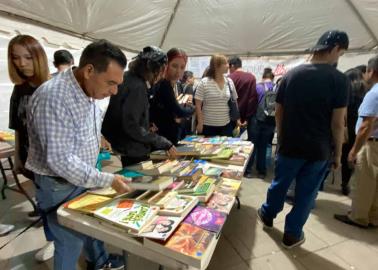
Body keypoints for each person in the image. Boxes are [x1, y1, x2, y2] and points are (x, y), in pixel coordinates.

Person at [26, 39, 131, 270]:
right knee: (69, 242)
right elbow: (60, 160)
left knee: (92, 226)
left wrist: (98, 138)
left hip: (84, 175)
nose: (114, 91)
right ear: (89, 70)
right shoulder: (53, 97)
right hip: (59, 185)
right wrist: (108, 179)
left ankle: (100, 263)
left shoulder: (86, 88)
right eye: (111, 83)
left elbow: (78, 127)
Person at [257, 30, 349, 249]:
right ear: (335, 49)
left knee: (279, 184)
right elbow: (338, 123)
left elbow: (278, 111)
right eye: (341, 53)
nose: (339, 57)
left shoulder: (291, 75)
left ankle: (268, 214)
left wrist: (281, 136)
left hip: (290, 144)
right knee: (307, 194)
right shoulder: (339, 80)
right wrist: (337, 153)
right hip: (319, 149)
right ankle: (292, 234)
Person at [7, 34, 55, 262]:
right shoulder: (19, 90)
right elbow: (17, 127)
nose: (21, 63)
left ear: (38, 57)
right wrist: (17, 157)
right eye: (15, 58)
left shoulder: (53, 87)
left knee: (57, 204)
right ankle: (51, 240)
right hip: (30, 158)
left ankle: (60, 240)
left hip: (54, 160)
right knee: (44, 203)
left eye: (27, 57)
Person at [102, 46, 177, 167]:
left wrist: (145, 123)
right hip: (133, 148)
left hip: (122, 143)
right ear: (154, 69)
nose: (162, 76)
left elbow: (126, 114)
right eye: (162, 70)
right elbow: (132, 126)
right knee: (139, 181)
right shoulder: (137, 86)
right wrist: (163, 142)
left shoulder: (127, 77)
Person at [334, 55, 378, 228]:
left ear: (371, 71)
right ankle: (373, 216)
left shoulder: (373, 93)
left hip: (370, 143)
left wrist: (353, 150)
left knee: (364, 183)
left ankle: (358, 217)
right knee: (375, 184)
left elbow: (365, 126)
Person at [150, 48, 195, 145]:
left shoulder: (175, 84)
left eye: (182, 67)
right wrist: (191, 108)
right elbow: (178, 111)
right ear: (166, 65)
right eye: (174, 66)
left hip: (168, 138)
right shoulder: (163, 84)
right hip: (163, 139)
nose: (178, 71)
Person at [195, 54, 240, 137]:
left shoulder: (229, 82)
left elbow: (235, 101)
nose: (228, 66)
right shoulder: (204, 82)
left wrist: (237, 119)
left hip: (226, 126)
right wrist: (200, 123)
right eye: (226, 63)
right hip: (208, 126)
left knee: (226, 149)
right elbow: (198, 105)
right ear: (216, 66)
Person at [228, 56, 258, 176]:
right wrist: (246, 119)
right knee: (249, 144)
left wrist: (236, 118)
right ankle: (248, 170)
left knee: (230, 143)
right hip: (247, 117)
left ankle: (231, 168)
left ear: (232, 66)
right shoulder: (251, 78)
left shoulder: (229, 78)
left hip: (231, 118)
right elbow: (252, 99)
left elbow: (229, 100)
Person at [244, 67, 276, 178]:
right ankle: (261, 171)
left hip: (256, 120)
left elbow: (251, 103)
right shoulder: (276, 88)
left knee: (252, 145)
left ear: (263, 77)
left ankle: (248, 170)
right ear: (272, 78)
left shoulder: (257, 87)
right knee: (263, 146)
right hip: (270, 122)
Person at [340, 68, 367, 195]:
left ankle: (343, 184)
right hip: (359, 128)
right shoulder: (366, 92)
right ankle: (347, 184)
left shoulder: (346, 91)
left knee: (342, 155)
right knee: (352, 157)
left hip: (345, 128)